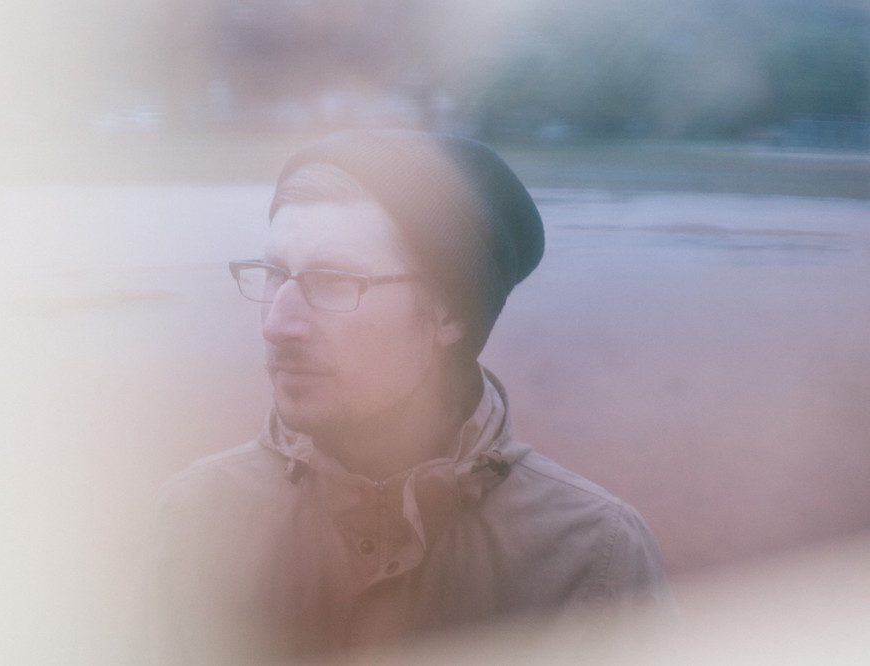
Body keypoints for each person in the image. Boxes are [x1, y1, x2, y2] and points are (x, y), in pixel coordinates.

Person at [148, 130, 672, 664]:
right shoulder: (197, 519)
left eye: (332, 281)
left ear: (450, 313)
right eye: (274, 274)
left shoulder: (592, 556)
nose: (277, 325)